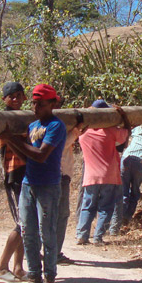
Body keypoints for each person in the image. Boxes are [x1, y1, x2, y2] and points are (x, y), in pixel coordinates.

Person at [0, 84, 66, 283]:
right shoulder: (33, 125)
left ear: (52, 104)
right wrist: (11, 139)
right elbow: (28, 156)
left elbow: (40, 155)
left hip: (48, 185)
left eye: (40, 103)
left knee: (47, 233)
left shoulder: (56, 126)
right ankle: (34, 279)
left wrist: (11, 138)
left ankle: (49, 281)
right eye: (34, 103)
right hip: (28, 183)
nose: (35, 107)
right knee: (28, 232)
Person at [75, 100, 131, 245]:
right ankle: (98, 237)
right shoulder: (110, 131)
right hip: (109, 175)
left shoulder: (83, 133)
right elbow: (126, 134)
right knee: (105, 207)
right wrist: (123, 117)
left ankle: (82, 235)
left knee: (87, 206)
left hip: (90, 177)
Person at [0, 81, 28, 282]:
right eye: (11, 96)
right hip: (14, 174)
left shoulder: (25, 118)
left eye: (18, 95)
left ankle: (18, 267)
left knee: (26, 223)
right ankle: (1, 266)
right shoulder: (3, 120)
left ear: (24, 97)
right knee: (22, 223)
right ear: (4, 100)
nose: (15, 99)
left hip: (26, 172)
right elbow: (12, 145)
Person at [54, 96, 84, 265]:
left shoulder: (60, 122)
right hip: (57, 175)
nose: (59, 107)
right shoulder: (51, 124)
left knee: (59, 215)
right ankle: (54, 253)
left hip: (62, 174)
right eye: (55, 103)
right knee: (59, 214)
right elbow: (60, 144)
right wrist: (76, 130)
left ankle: (52, 252)